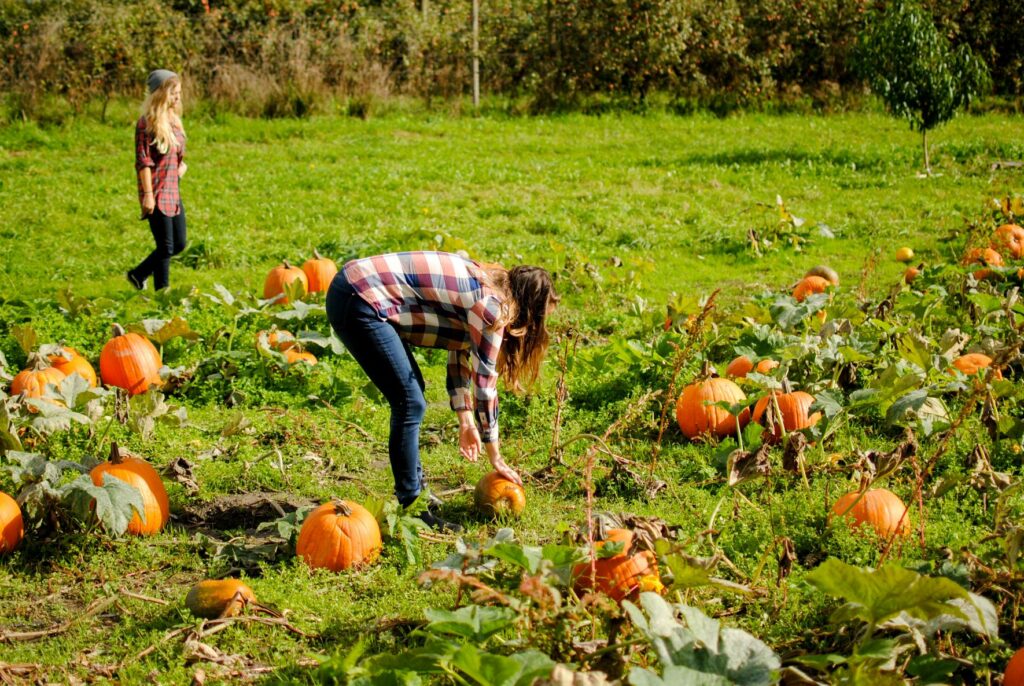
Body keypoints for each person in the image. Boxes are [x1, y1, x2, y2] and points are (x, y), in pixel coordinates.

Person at [326, 251, 558, 531]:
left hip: (354, 289)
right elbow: (485, 386)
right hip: (360, 298)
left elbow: (458, 352)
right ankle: (412, 506)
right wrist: (495, 455)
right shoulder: (492, 307)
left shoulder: (490, 283)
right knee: (410, 402)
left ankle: (416, 495)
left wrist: (466, 421)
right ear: (531, 313)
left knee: (412, 395)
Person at [127, 69, 188, 291]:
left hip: (173, 188)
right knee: (165, 246)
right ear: (161, 93)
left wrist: (179, 168)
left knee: (179, 243)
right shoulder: (147, 123)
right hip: (156, 190)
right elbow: (143, 162)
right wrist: (148, 196)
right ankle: (162, 292)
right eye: (174, 93)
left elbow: (174, 152)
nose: (178, 98)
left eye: (179, 93)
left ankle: (138, 274)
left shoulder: (174, 120)